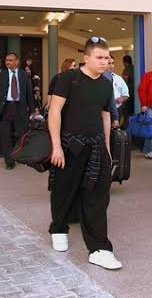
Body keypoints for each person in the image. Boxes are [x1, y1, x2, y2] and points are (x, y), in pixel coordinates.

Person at [47, 37, 122, 270]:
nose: (104, 62)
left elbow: (105, 117)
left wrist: (107, 148)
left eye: (107, 58)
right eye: (99, 57)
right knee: (64, 190)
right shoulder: (68, 79)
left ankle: (99, 249)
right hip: (70, 145)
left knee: (98, 196)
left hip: (96, 146)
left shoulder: (106, 84)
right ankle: (59, 228)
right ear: (86, 58)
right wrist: (56, 146)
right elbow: (54, 110)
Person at [0, 53, 35, 170]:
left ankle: (18, 156)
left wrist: (32, 109)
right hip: (5, 108)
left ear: (17, 61)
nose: (7, 62)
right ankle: (9, 162)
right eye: (6, 60)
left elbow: (29, 93)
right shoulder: (1, 75)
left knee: (20, 133)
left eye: (10, 60)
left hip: (20, 107)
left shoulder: (24, 75)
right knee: (5, 135)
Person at [107, 55, 130, 128]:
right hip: (103, 111)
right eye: (109, 63)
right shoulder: (99, 78)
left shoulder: (118, 78)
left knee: (114, 132)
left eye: (113, 63)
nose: (111, 66)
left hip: (117, 109)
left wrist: (122, 98)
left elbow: (126, 94)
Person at [122, 55, 135, 121]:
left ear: (125, 62)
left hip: (128, 94)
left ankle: (126, 125)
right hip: (134, 94)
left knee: (127, 112)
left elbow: (124, 83)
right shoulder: (135, 68)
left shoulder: (127, 70)